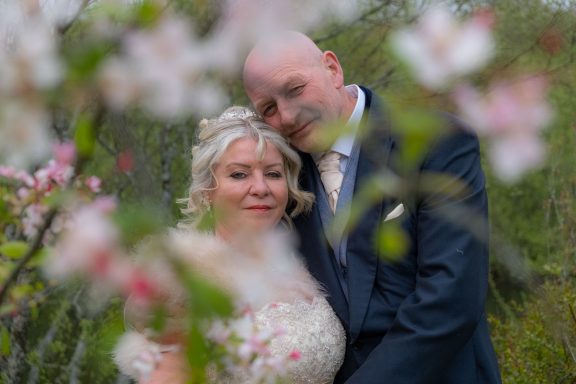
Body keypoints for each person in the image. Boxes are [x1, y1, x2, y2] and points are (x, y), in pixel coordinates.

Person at [243, 31, 502, 383]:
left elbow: (450, 299)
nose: (287, 116)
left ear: (333, 69)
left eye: (295, 89)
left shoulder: (437, 142)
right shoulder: (279, 180)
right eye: (268, 109)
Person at [113, 106, 346, 383]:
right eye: (239, 174)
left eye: (272, 174)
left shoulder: (307, 258)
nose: (261, 188)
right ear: (208, 190)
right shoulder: (181, 277)